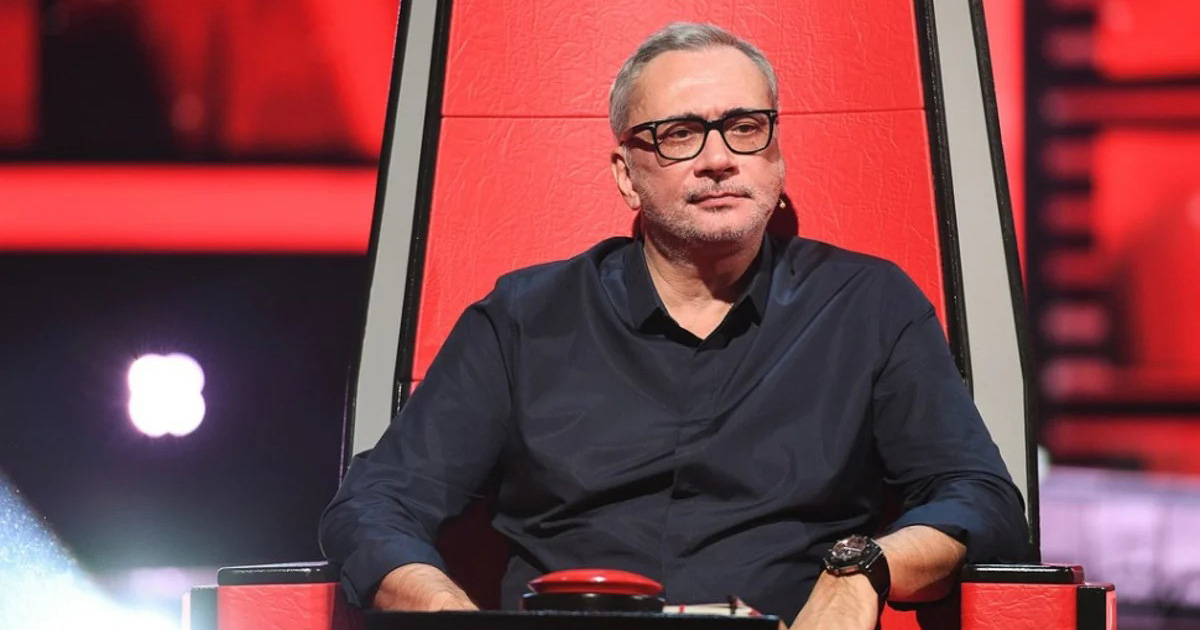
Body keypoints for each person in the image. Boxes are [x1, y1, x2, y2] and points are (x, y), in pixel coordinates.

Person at [319, 22, 1030, 629]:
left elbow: (981, 501)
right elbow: (375, 505)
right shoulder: (524, 318)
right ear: (626, 174)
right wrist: (448, 612)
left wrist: (860, 570)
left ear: (776, 154)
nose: (719, 159)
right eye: (679, 135)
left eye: (745, 128)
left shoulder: (867, 305)